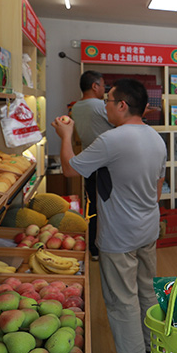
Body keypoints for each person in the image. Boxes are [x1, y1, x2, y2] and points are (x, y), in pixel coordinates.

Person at [53, 78, 167, 353]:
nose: (105, 107)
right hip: (148, 228)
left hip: (119, 233)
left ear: (122, 105)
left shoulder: (111, 140)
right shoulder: (156, 138)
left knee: (121, 299)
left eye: (108, 101)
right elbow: (157, 189)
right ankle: (152, 351)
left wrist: (66, 135)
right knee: (146, 291)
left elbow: (69, 169)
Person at [69, 70, 113, 257]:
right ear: (95, 86)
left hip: (89, 162)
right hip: (108, 164)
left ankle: (94, 248)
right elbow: (121, 122)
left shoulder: (76, 107)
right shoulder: (100, 106)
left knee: (93, 205)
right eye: (103, 86)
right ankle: (109, 247)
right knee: (110, 206)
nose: (104, 89)